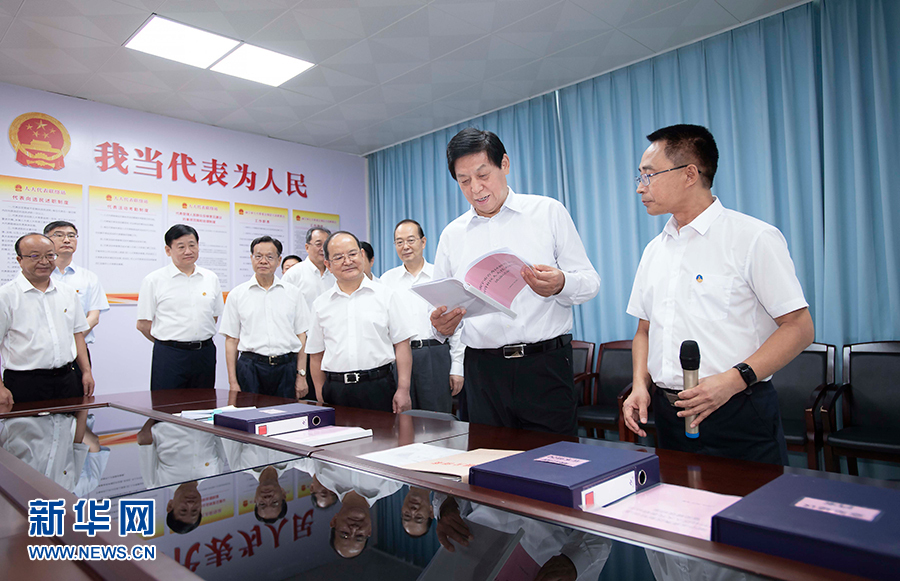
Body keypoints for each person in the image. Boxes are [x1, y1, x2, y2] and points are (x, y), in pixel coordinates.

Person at [622, 124, 814, 466]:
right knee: (677, 499)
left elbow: (799, 328)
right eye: (639, 176)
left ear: (689, 174)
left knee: (752, 500)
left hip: (737, 409)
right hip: (670, 415)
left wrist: (733, 379)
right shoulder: (655, 250)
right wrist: (639, 384)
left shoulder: (752, 238)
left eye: (649, 175)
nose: (640, 187)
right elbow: (644, 331)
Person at [430, 128, 600, 435]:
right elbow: (440, 303)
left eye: (483, 175)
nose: (476, 188)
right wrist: (440, 326)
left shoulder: (547, 212)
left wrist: (561, 283)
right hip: (483, 371)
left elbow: (589, 282)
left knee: (553, 458)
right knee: (488, 458)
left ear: (504, 164)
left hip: (544, 365)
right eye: (464, 181)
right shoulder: (452, 235)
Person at [306, 231, 414, 413]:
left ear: (362, 255)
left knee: (382, 432)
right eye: (338, 257)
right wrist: (320, 392)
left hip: (378, 386)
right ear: (328, 265)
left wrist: (403, 389)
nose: (347, 261)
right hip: (336, 390)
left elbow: (402, 344)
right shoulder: (320, 304)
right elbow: (316, 354)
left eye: (352, 254)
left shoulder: (386, 295)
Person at [0, 233, 94, 405]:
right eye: (35, 256)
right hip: (25, 383)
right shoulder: (6, 296)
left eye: (50, 255)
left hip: (67, 379)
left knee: (68, 421)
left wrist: (86, 372)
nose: (44, 261)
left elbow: (77, 334)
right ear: (19, 260)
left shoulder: (67, 292)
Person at [381, 219, 464, 413]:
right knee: (403, 418)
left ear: (423, 242)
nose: (405, 246)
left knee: (438, 419)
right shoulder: (386, 280)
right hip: (399, 359)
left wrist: (457, 367)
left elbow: (458, 325)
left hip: (434, 354)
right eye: (399, 242)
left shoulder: (440, 276)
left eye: (411, 240)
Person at [136, 224, 224, 391]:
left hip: (204, 354)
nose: (188, 251)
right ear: (168, 250)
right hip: (170, 356)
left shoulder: (210, 278)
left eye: (192, 245)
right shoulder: (154, 280)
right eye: (181, 247)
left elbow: (213, 316)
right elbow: (143, 325)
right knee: (167, 404)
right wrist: (169, 343)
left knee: (203, 403)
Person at [220, 236, 309, 399]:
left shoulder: (293, 293)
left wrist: (301, 375)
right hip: (250, 367)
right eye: (258, 256)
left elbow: (301, 336)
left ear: (279, 260)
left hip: (286, 367)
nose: (263, 261)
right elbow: (231, 340)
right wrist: (233, 382)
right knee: (250, 413)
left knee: (286, 413)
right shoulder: (237, 295)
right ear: (251, 258)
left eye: (269, 257)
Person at [44, 221, 109, 357]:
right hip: (43, 350)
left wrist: (68, 341)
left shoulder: (89, 277)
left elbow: (93, 317)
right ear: (46, 240)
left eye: (71, 235)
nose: (66, 240)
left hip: (78, 350)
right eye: (59, 235)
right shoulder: (37, 275)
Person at [282, 227, 334, 394]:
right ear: (306, 247)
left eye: (326, 244)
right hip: (305, 351)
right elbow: (284, 313)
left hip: (332, 348)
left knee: (331, 397)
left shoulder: (336, 273)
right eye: (318, 244)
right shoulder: (294, 274)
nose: (322, 249)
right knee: (307, 398)